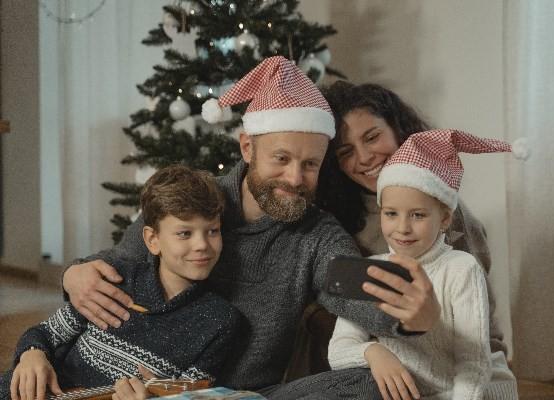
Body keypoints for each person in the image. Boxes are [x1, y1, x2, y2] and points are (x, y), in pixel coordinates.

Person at [60, 56, 440, 399]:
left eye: (310, 164)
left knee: (367, 385)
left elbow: (361, 294)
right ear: (247, 148)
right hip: (166, 389)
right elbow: (123, 261)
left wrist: (409, 318)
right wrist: (75, 273)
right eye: (281, 158)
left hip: (250, 396)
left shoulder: (317, 237)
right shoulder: (192, 200)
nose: (295, 177)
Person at [0, 165, 242, 400]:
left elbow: (191, 395)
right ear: (152, 239)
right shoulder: (117, 278)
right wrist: (33, 355)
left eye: (212, 231)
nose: (202, 244)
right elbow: (44, 333)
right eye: (184, 233)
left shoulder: (220, 321)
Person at [316, 80, 506, 354]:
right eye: (346, 152)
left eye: (371, 137)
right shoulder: (338, 218)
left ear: (397, 129)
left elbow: (477, 305)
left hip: (458, 351)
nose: (365, 157)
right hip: (378, 356)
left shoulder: (447, 211)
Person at [328, 129, 518, 400]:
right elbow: (338, 349)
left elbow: (473, 363)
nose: (402, 228)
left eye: (417, 215)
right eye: (391, 213)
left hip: (468, 392)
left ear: (444, 219)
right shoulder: (371, 269)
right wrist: (373, 352)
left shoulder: (461, 268)